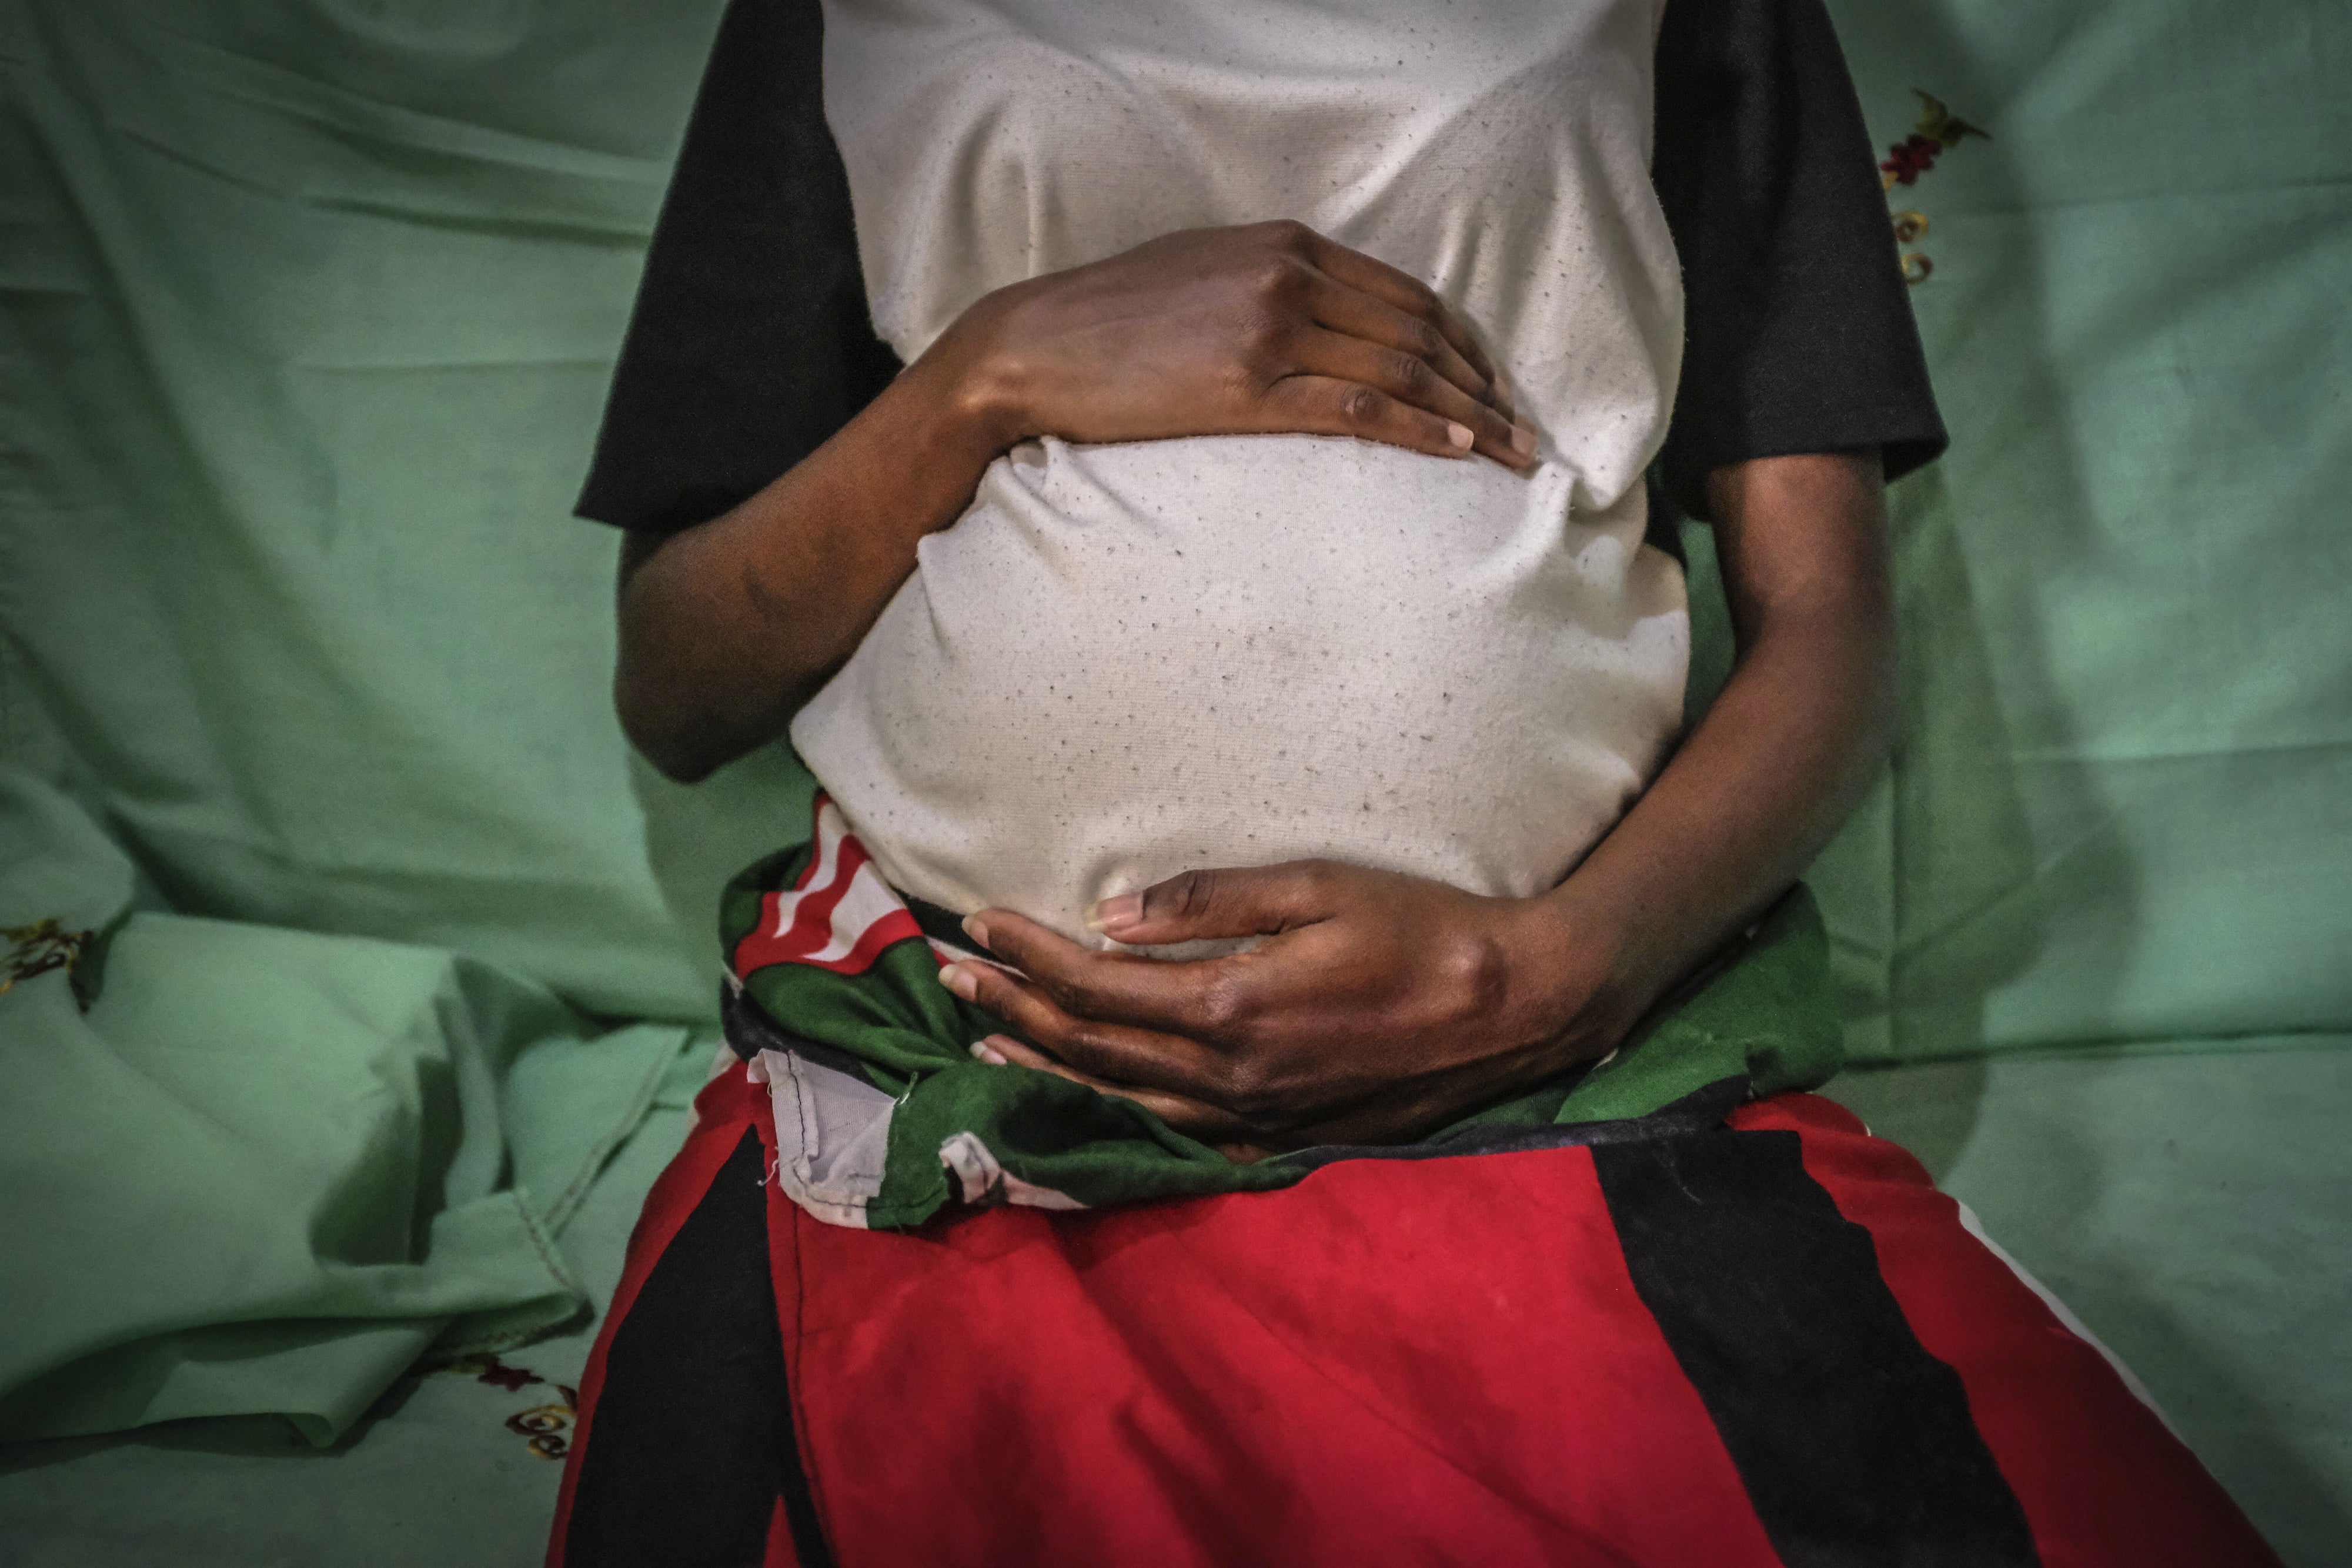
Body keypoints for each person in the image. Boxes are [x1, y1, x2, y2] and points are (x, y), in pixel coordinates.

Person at [545, 1, 2281, 1562]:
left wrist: (1558, 968)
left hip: (1583, 1059)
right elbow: (680, 679)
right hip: (980, 1055)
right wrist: (994, 369)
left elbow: (1828, 625)